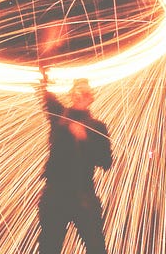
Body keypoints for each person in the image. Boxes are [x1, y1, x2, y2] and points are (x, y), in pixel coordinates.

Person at [34, 67, 112, 254]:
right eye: (77, 91)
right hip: (56, 193)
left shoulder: (98, 127)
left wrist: (86, 137)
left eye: (85, 92)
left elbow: (106, 161)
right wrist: (43, 72)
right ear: (72, 94)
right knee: (49, 247)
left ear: (90, 97)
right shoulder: (59, 115)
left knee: (96, 247)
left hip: (82, 194)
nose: (81, 95)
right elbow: (45, 95)